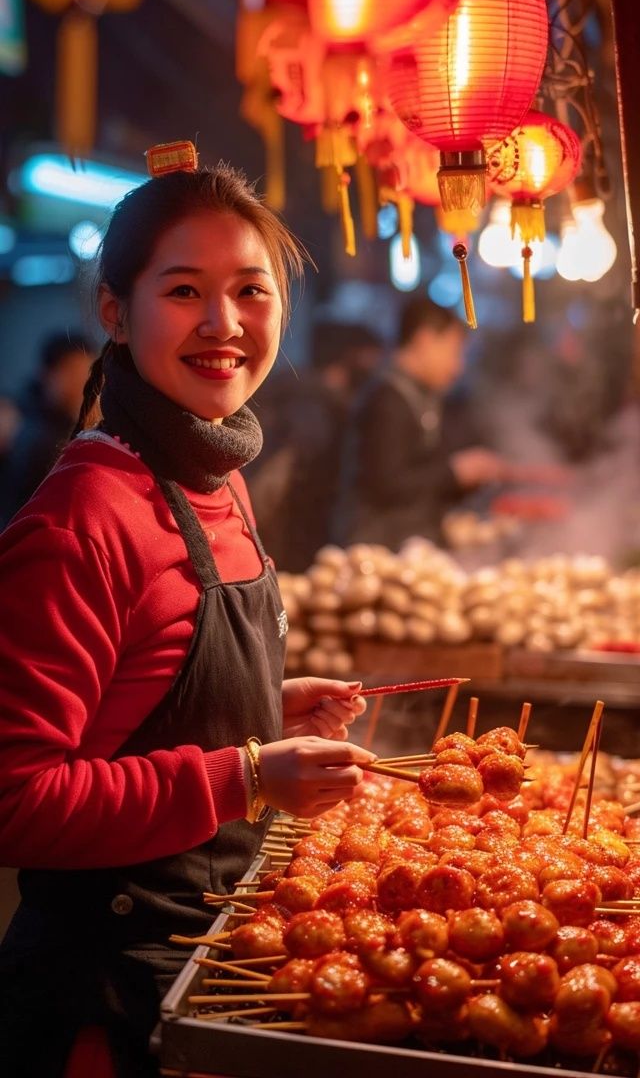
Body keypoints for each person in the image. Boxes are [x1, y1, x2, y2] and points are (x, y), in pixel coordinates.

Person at [0, 153, 374, 1078]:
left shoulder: (216, 475)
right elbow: (15, 800)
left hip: (208, 963)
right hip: (108, 1000)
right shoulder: (83, 514)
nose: (224, 324)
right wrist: (246, 772)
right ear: (115, 313)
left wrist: (261, 707)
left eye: (252, 289)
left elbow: (138, 697)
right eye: (184, 290)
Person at [335, 296, 506, 551]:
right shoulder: (386, 398)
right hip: (377, 551)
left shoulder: (418, 394)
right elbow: (386, 484)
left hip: (409, 543)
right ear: (425, 340)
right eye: (455, 351)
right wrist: (455, 472)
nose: (458, 367)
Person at [246, 319, 383, 569]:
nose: (374, 368)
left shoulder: (295, 391)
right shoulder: (316, 407)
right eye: (369, 359)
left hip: (274, 532)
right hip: (292, 538)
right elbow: (296, 475)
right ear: (348, 357)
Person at [0, 330, 95, 527]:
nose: (80, 384)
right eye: (71, 372)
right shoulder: (37, 436)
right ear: (46, 374)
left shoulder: (40, 421)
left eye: (86, 373)